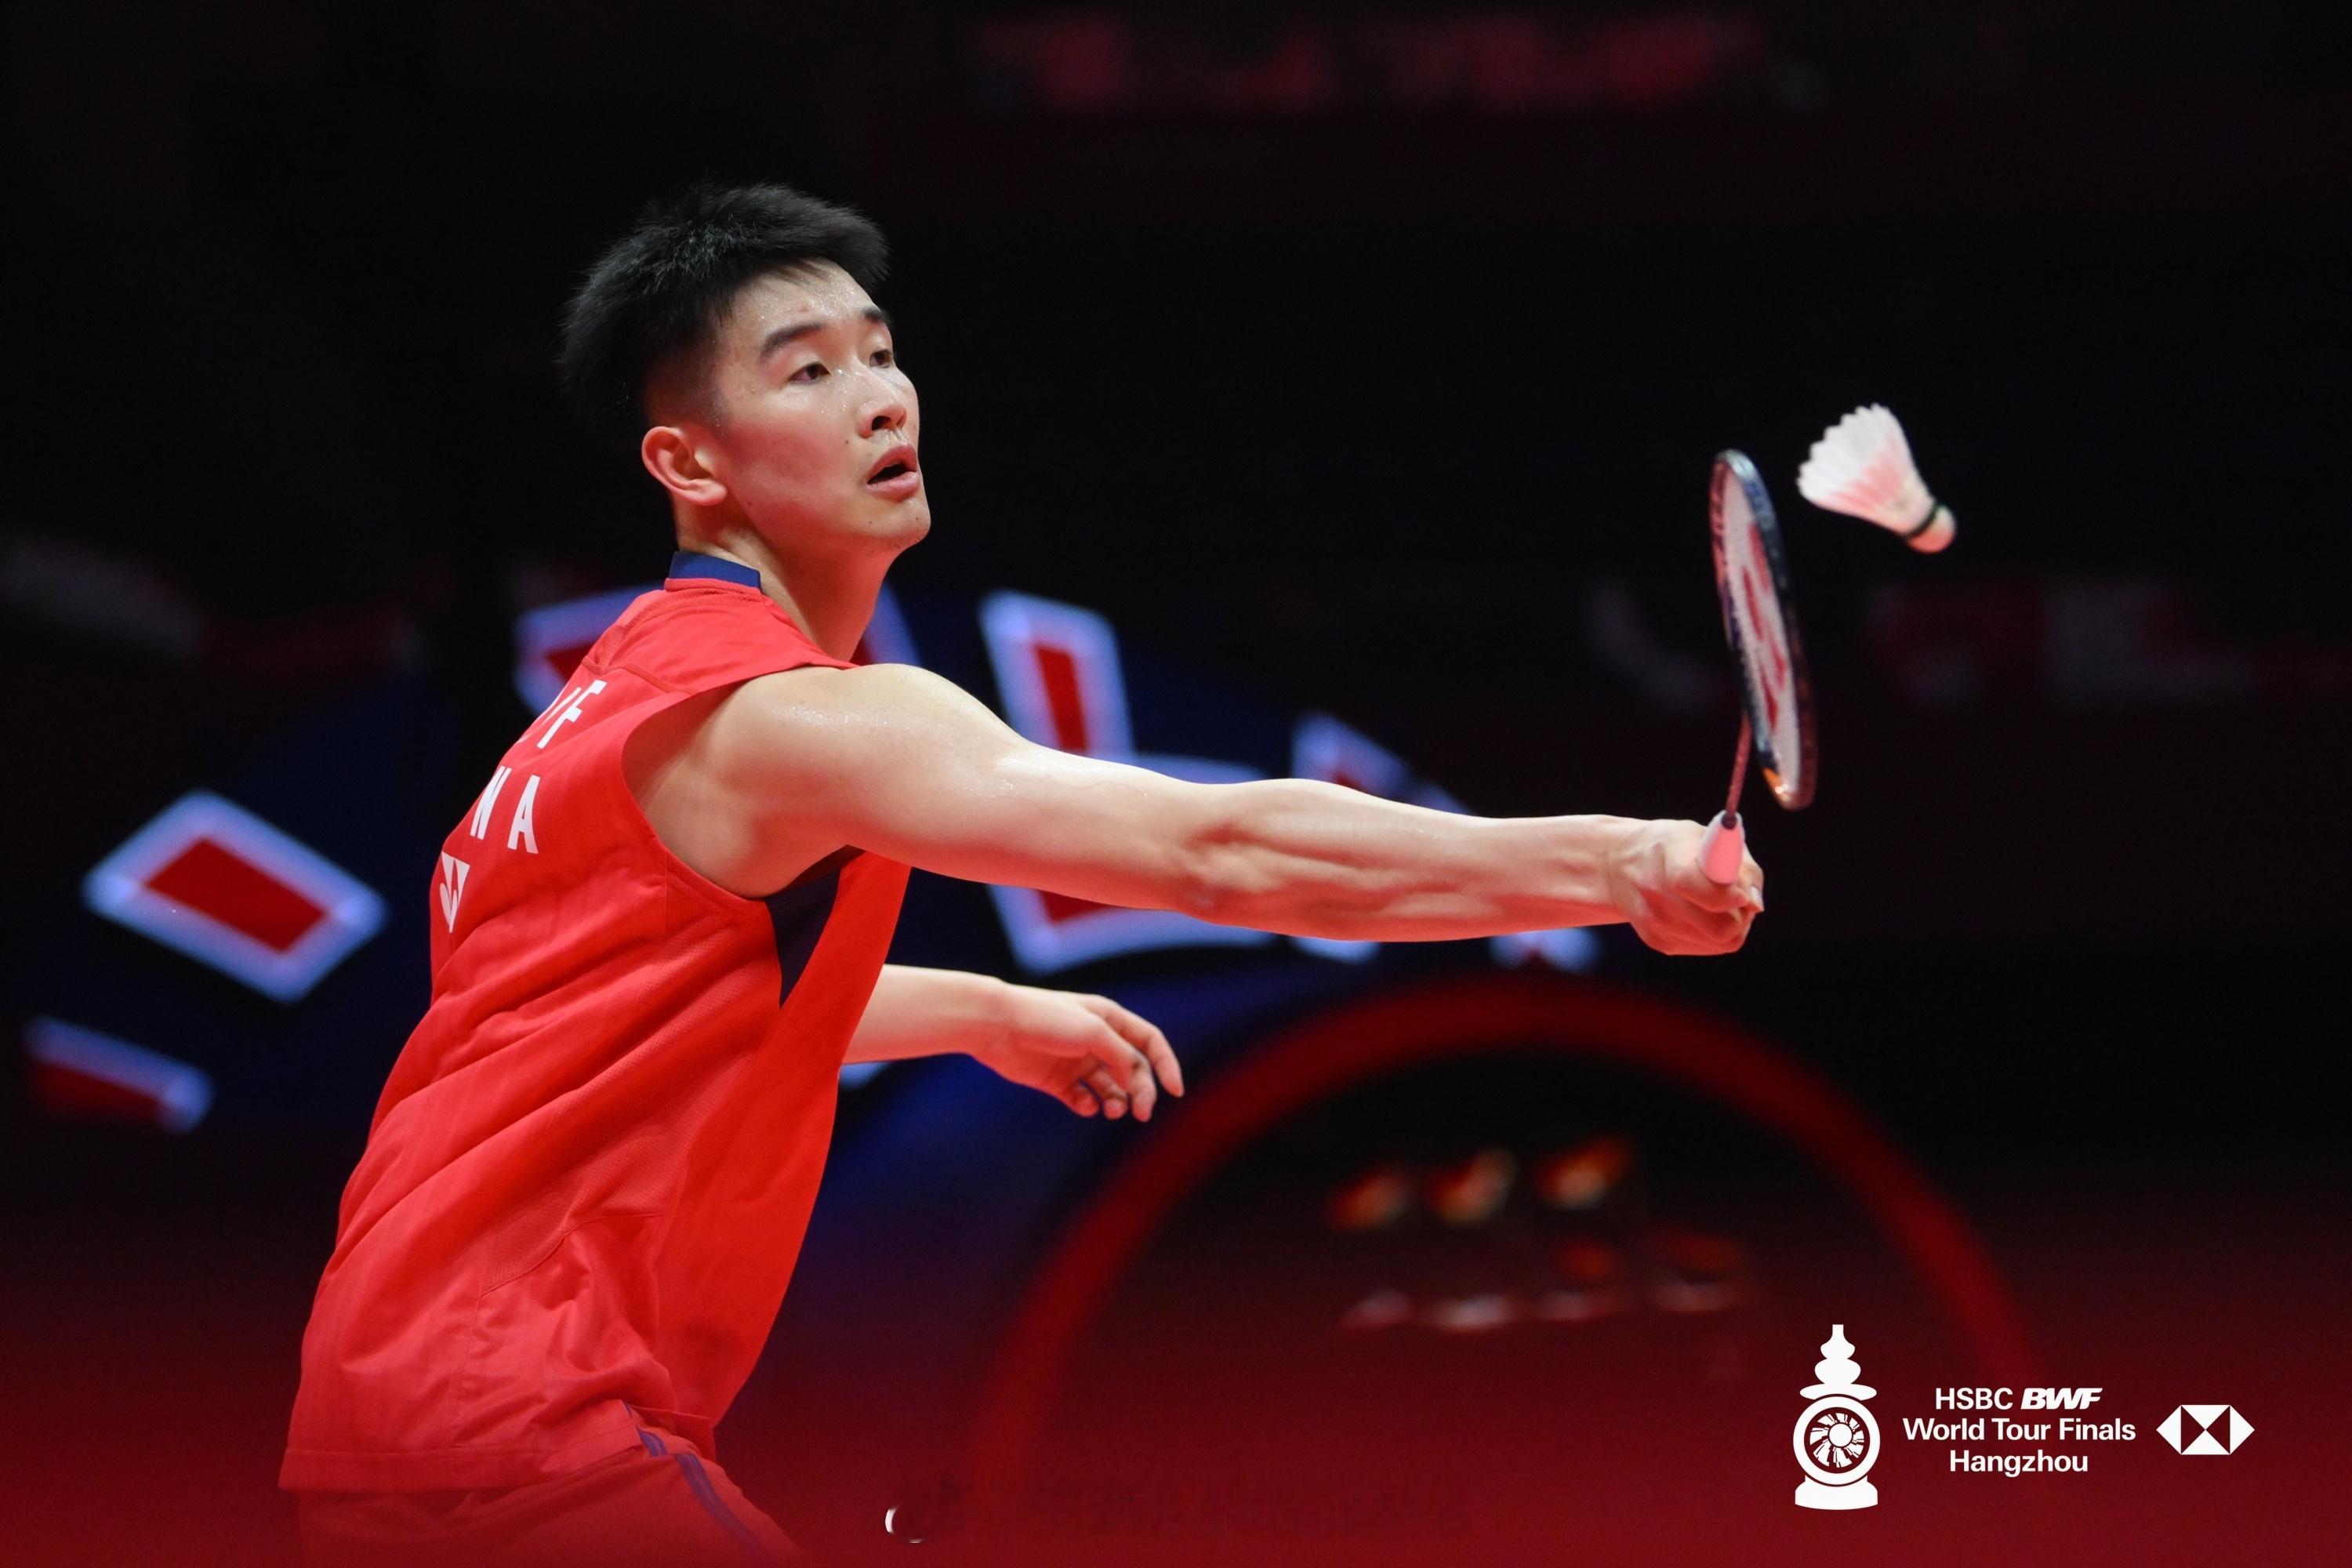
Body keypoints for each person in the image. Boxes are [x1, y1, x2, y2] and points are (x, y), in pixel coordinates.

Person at [281, 181, 1765, 1564]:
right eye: (808, 373)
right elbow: (1218, 849)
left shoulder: (592, 715)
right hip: (521, 1419)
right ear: (689, 463)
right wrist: (1615, 861)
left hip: (392, 1407)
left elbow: (639, 1018)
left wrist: (985, 1012)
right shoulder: (786, 720)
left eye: (881, 354)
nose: (880, 398)